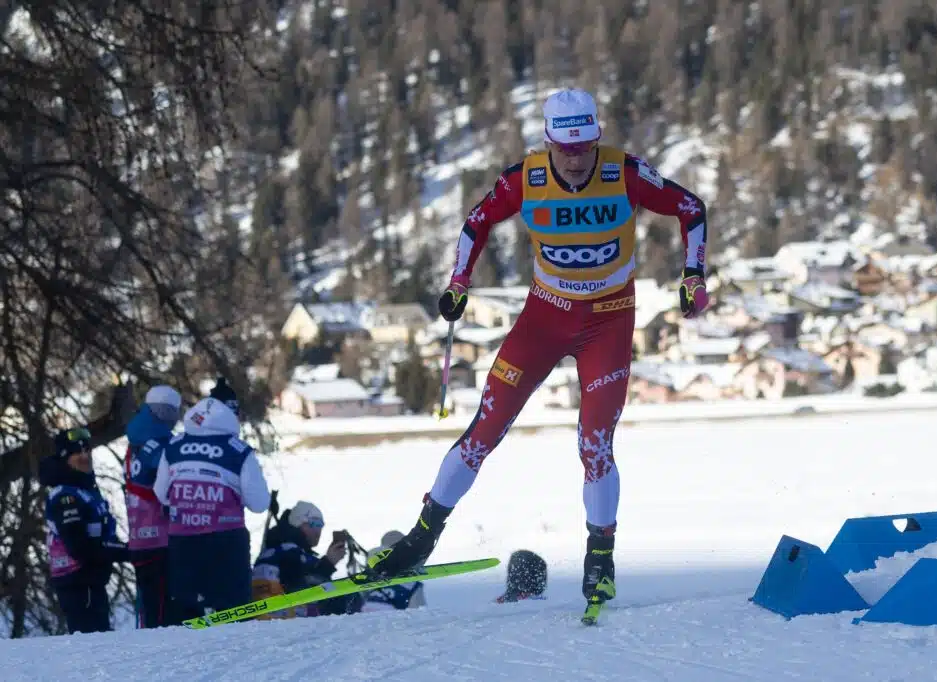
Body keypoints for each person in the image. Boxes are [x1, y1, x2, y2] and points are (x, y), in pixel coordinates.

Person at [367, 88, 709, 610]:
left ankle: (600, 560)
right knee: (485, 428)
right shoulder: (524, 178)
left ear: (597, 138)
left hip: (608, 324)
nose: (575, 160)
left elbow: (691, 208)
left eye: (585, 147)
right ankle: (421, 539)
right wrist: (459, 282)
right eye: (565, 149)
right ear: (548, 142)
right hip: (543, 319)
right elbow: (476, 222)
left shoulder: (626, 173)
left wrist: (694, 274)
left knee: (594, 442)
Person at [153, 388, 271, 623]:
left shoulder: (173, 447)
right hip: (226, 543)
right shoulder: (238, 451)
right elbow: (259, 503)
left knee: (186, 615)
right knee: (233, 612)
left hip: (182, 542)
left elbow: (161, 493)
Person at [41, 427, 133, 634]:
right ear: (65, 459)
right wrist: (127, 551)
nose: (84, 457)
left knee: (100, 639)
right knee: (92, 643)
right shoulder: (66, 496)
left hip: (92, 580)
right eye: (76, 453)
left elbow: (102, 534)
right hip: (77, 581)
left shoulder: (85, 489)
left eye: (87, 451)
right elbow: (81, 548)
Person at [123, 385, 181, 628]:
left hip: (139, 537)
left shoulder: (135, 441)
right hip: (161, 537)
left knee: (149, 609)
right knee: (165, 614)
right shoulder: (161, 444)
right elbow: (174, 481)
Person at [251, 501, 358, 619]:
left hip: (278, 614)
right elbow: (300, 590)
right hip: (280, 617)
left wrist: (327, 564)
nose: (319, 531)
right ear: (298, 522)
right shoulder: (289, 551)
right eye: (314, 523)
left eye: (321, 525)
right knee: (349, 597)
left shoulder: (283, 549)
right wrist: (327, 565)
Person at [361, 531, 426, 612]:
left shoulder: (368, 575)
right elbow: (419, 610)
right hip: (392, 617)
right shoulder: (413, 585)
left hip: (364, 614)